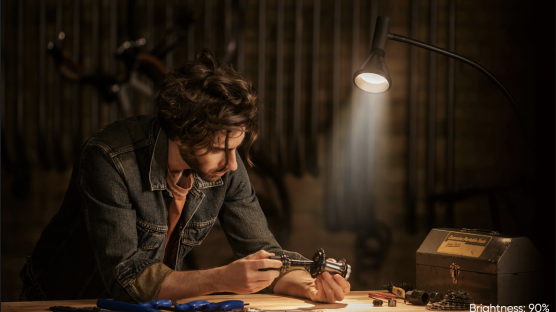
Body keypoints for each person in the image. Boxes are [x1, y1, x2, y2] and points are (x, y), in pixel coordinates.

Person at [20, 49, 350, 304]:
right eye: (221, 149)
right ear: (182, 132)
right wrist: (222, 279)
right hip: (63, 302)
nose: (233, 164)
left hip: (141, 307)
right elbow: (126, 280)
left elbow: (263, 254)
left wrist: (309, 286)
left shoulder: (224, 165)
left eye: (236, 147)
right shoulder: (108, 160)